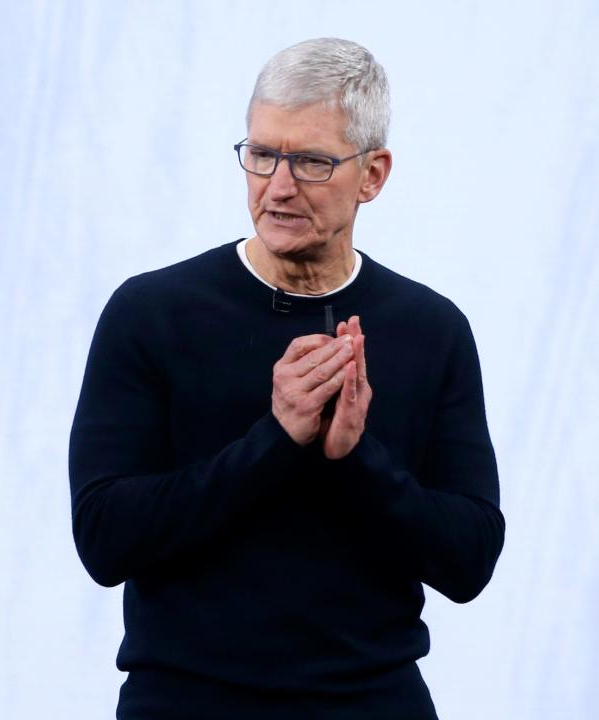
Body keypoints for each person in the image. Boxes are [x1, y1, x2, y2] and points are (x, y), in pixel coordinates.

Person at [69, 37, 504, 720]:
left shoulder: (431, 328)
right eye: (262, 154)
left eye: (310, 161)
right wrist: (273, 440)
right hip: (185, 704)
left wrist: (357, 459)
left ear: (373, 174)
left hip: (370, 704)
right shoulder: (152, 313)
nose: (277, 185)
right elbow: (104, 539)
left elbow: (469, 560)